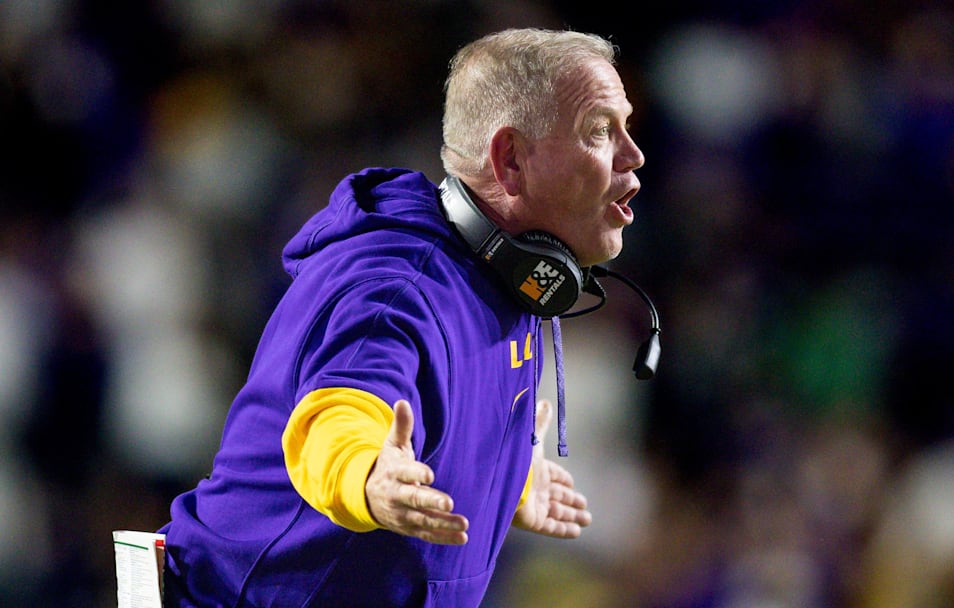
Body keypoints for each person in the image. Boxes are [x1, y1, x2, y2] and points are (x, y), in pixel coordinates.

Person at [158, 27, 645, 607]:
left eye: (625, 127)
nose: (633, 155)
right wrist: (367, 474)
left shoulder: (505, 275)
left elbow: (429, 415)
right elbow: (338, 416)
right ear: (511, 160)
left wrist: (505, 476)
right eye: (599, 131)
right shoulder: (397, 286)